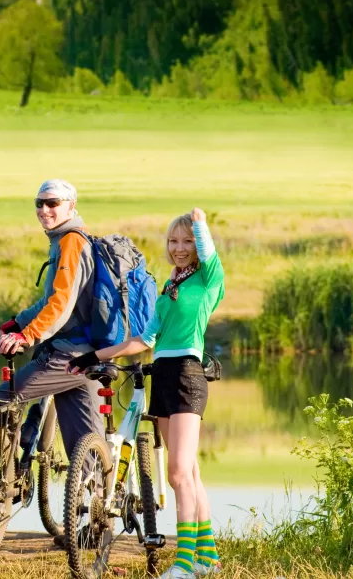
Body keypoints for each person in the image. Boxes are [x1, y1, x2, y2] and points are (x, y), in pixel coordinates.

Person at [68, 208, 224, 578]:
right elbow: (145, 339)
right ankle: (208, 558)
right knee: (191, 474)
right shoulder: (172, 285)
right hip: (164, 376)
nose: (180, 248)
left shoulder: (209, 279)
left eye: (187, 241)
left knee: (177, 474)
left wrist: (198, 223)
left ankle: (185, 562)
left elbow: (209, 249)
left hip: (188, 375)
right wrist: (94, 355)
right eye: (173, 241)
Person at [0, 179, 102, 480]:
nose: (44, 210)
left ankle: (4, 484)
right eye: (39, 203)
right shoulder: (65, 240)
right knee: (85, 447)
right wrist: (18, 322)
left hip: (70, 354)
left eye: (53, 203)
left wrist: (28, 335)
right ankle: (93, 515)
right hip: (90, 351)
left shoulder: (71, 242)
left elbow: (60, 304)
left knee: (1, 399)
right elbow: (51, 300)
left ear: (71, 206)